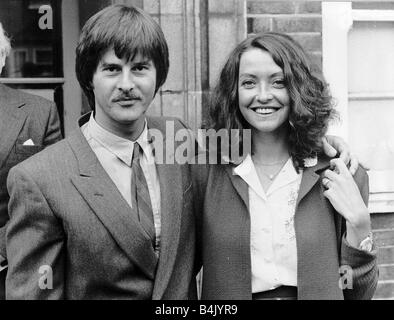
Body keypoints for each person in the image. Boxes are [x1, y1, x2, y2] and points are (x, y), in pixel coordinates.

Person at [5, 5, 198, 299]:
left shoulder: (179, 138)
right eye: (111, 69)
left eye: (139, 68)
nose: (126, 84)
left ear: (159, 76)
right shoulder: (39, 179)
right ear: (89, 78)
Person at [197, 32, 378, 300]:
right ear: (233, 92)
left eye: (278, 82)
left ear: (297, 89)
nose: (263, 95)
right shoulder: (206, 174)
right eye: (248, 83)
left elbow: (356, 293)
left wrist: (361, 226)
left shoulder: (340, 174)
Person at [0, 21, 62, 299]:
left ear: (2, 58)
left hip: (15, 273)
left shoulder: (41, 113)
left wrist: (2, 246)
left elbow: (54, 198)